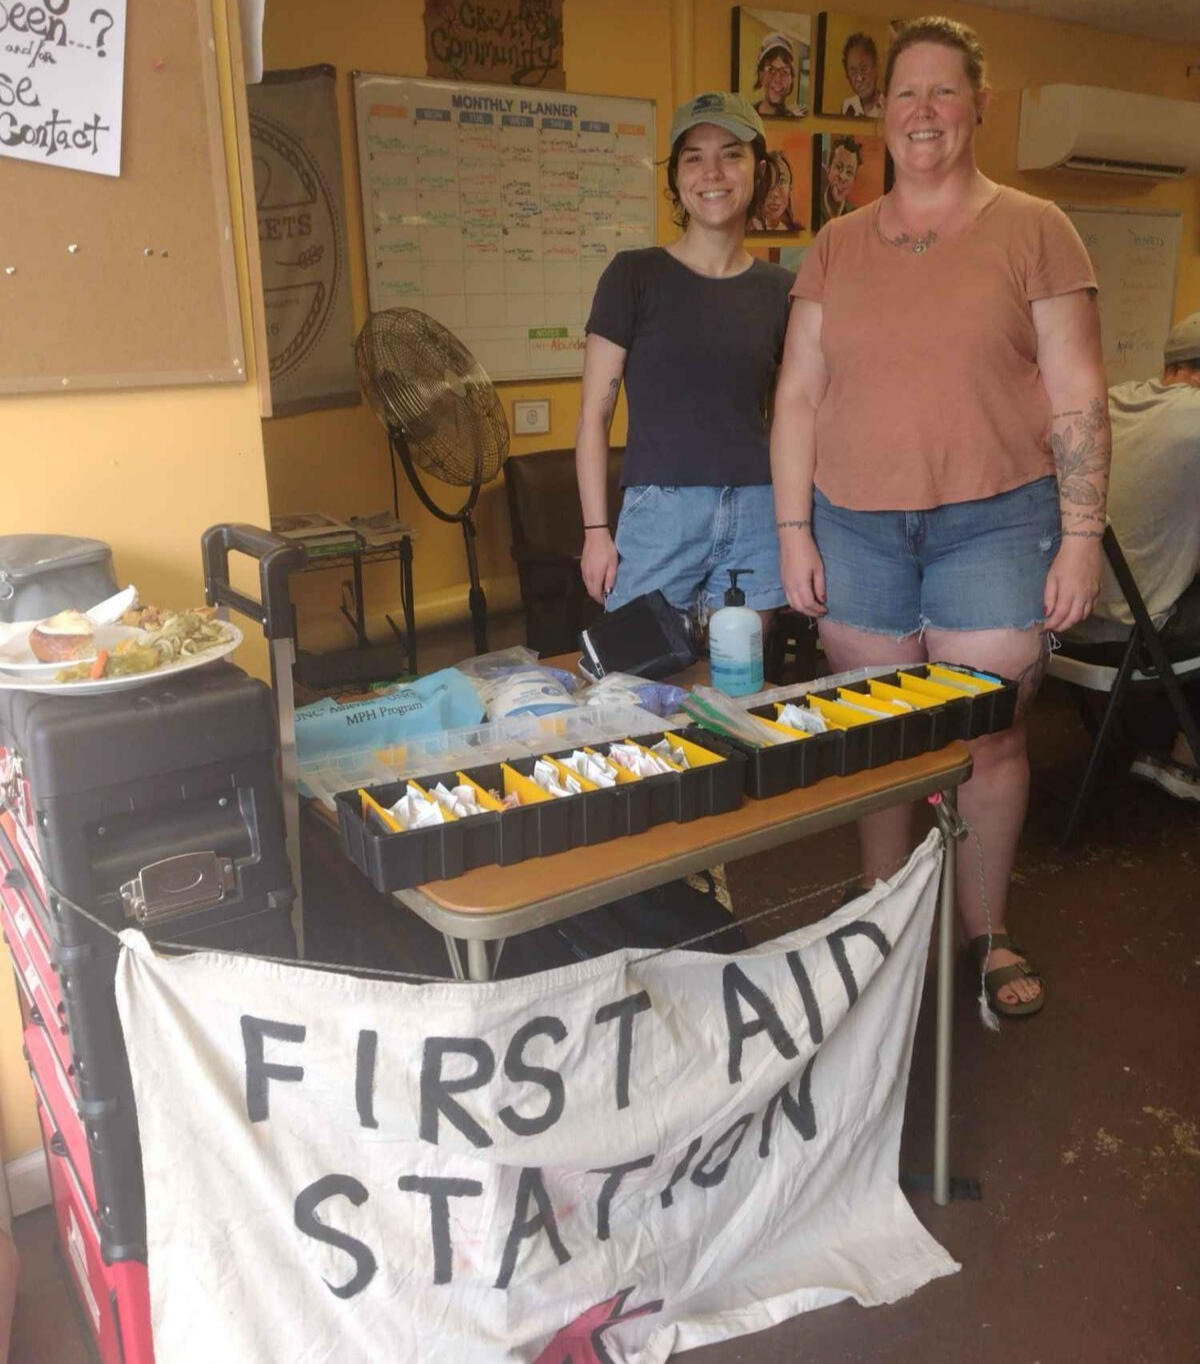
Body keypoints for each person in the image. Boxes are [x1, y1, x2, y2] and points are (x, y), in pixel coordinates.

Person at [771, 16, 1109, 1018]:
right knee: (878, 738)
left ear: (978, 107)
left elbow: (1078, 390)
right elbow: (797, 393)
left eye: (943, 92)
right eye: (905, 94)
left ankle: (984, 927)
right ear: (883, 114)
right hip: (858, 527)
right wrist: (793, 529)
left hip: (996, 524)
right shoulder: (834, 245)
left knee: (992, 738)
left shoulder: (1037, 226)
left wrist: (1082, 533)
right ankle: (881, 908)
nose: (922, 111)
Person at [576, 92, 792, 625]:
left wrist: (796, 528)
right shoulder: (633, 276)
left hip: (758, 510)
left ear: (757, 169)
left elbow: (794, 418)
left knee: (736, 685)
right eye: (694, 157)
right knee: (641, 686)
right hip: (659, 515)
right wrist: (596, 533)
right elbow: (593, 416)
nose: (712, 172)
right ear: (675, 177)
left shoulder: (784, 290)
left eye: (731, 153)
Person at [1062, 312, 1200, 801]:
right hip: (1127, 636)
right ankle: (1185, 757)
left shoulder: (1115, 400)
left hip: (1064, 624)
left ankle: (1154, 741)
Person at [752, 32, 807, 118]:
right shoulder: (747, 117)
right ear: (761, 75)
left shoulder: (796, 120)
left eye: (784, 72)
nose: (777, 79)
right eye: (771, 70)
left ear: (791, 79)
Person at [815, 135, 861, 229]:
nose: (843, 177)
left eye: (849, 172)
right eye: (839, 167)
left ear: (854, 180)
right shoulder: (814, 208)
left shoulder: (856, 216)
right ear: (828, 169)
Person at [750, 150, 801, 232]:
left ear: (790, 188)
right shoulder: (742, 231)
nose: (774, 194)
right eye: (767, 181)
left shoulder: (797, 231)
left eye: (782, 181)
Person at [840, 33, 884, 117]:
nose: (859, 78)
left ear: (876, 67)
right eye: (853, 72)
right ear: (847, 76)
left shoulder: (887, 105)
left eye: (864, 69)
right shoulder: (848, 106)